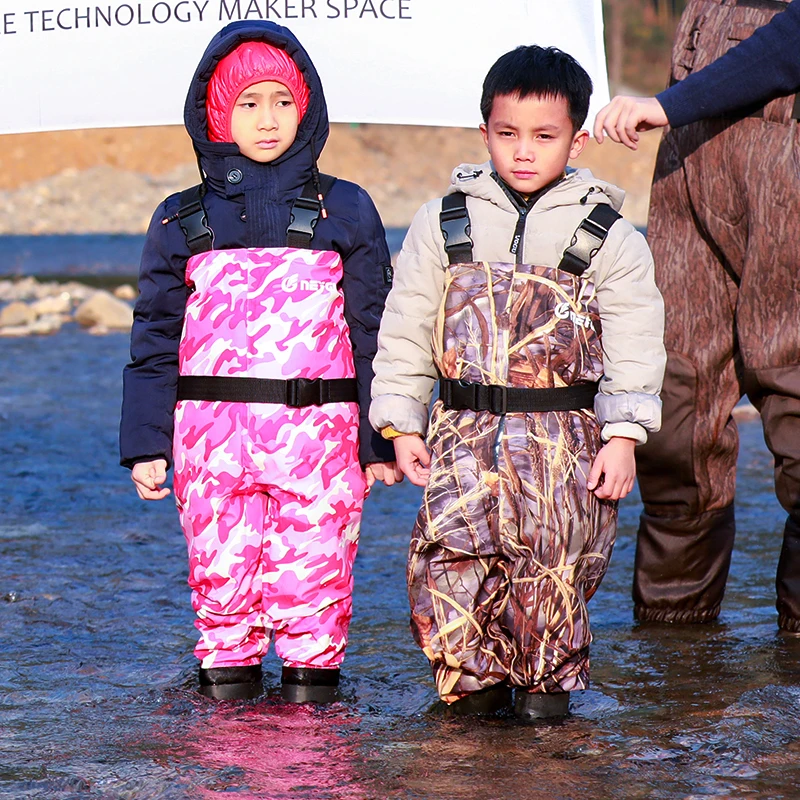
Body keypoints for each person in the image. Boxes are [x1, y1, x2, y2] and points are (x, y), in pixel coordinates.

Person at [369, 45, 666, 719]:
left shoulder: (610, 237)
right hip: (460, 443)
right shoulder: (443, 222)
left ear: (578, 139)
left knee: (554, 588)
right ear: (484, 134)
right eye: (507, 135)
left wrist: (622, 436)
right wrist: (400, 421)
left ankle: (546, 732)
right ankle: (466, 725)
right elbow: (406, 327)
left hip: (565, 450)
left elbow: (636, 343)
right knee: (450, 574)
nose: (523, 151)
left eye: (544, 136)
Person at [120, 19, 401, 702]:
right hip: (209, 452)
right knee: (221, 596)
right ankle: (227, 739)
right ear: (217, 112)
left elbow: (374, 333)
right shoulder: (179, 219)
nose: (268, 119)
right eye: (248, 103)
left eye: (281, 100)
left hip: (321, 445)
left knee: (316, 594)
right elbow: (155, 334)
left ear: (304, 106)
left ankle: (314, 735)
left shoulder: (347, 209)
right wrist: (145, 444)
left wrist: (380, 438)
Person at [593, 0, 800, 633]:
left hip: (785, 157)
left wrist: (665, 105)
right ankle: (670, 651)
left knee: (793, 387)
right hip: (687, 156)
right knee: (676, 409)